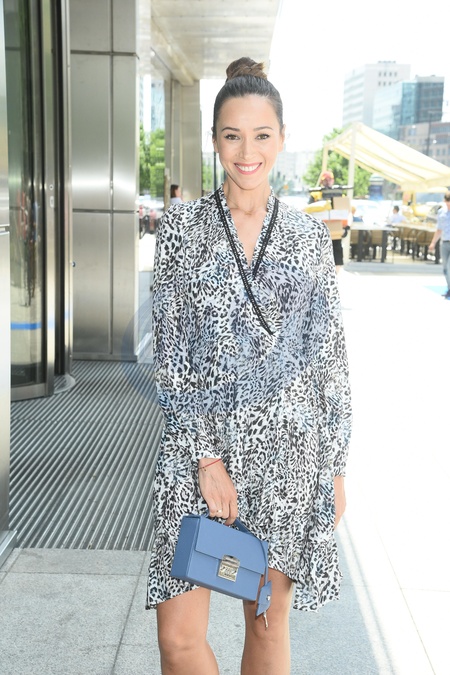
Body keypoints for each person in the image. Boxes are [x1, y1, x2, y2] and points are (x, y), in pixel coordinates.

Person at [146, 57, 352, 675]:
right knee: (178, 637)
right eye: (232, 135)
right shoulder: (182, 230)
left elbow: (329, 358)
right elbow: (172, 353)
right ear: (214, 140)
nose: (247, 151)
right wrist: (207, 459)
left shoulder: (309, 239)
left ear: (282, 139)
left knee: (266, 624)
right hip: (197, 448)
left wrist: (335, 466)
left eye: (261, 135)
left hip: (287, 453)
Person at [429, 191, 450, 298]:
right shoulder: (442, 212)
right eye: (447, 202)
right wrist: (433, 242)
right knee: (445, 268)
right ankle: (449, 288)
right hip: (444, 242)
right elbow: (439, 229)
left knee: (449, 267)